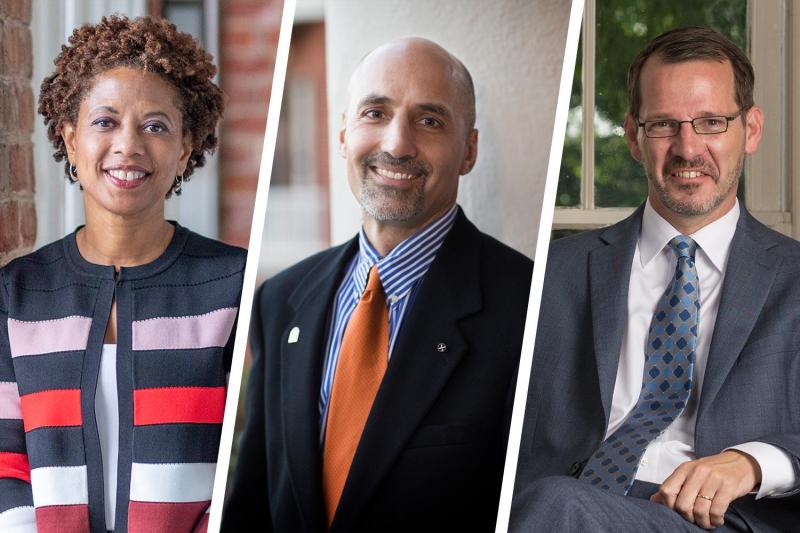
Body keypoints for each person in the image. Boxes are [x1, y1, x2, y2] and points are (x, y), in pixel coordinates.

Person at [223, 37, 533, 532]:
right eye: (375, 113)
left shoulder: (526, 308)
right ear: (344, 132)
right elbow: (251, 504)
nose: (396, 144)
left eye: (429, 120)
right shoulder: (279, 301)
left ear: (468, 150)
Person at [511, 27, 799, 532]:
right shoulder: (553, 273)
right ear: (633, 137)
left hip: (719, 520)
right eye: (665, 125)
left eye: (711, 122)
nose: (688, 149)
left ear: (750, 130)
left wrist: (755, 463)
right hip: (558, 502)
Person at [0, 16, 245, 533]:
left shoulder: (232, 287)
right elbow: (4, 464)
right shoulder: (17, 294)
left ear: (184, 149)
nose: (128, 145)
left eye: (155, 126)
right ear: (70, 139)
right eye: (105, 121)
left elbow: (244, 463)